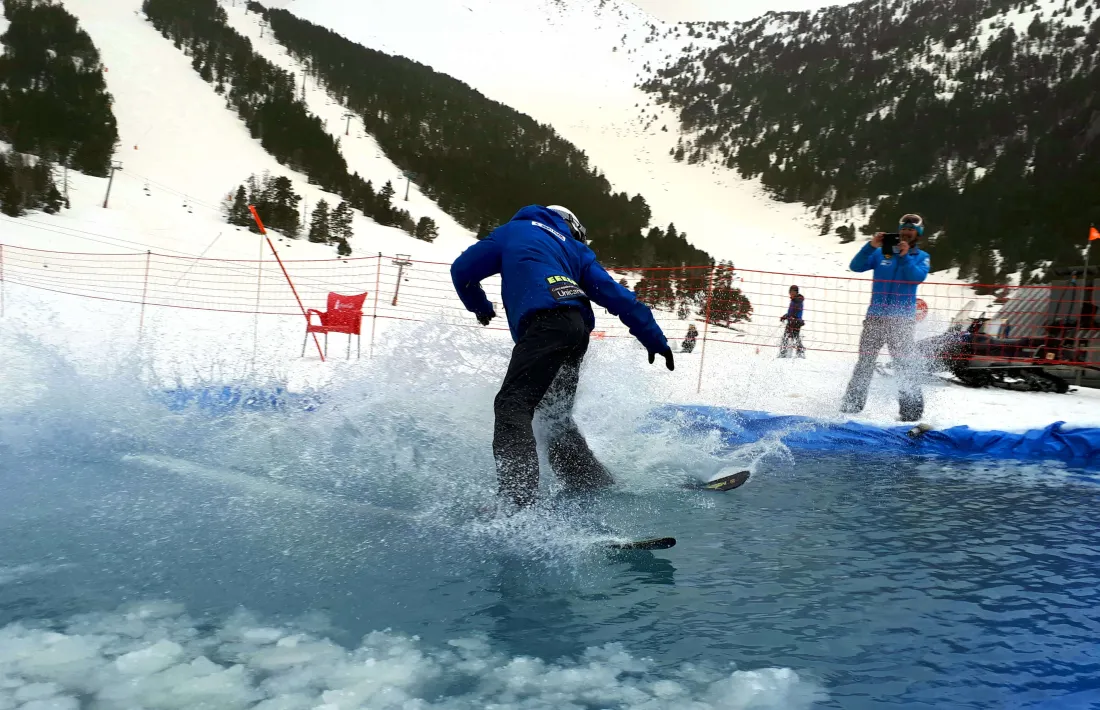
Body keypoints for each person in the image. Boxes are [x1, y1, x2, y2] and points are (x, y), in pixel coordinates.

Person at [451, 205, 674, 509]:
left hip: (544, 325)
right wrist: (653, 337)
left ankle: (518, 511)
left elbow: (462, 270)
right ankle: (592, 484)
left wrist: (480, 306)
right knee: (554, 419)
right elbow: (618, 296)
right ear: (572, 226)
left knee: (511, 406)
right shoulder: (575, 249)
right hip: (576, 328)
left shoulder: (514, 231)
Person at [840, 213, 931, 422]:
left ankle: (911, 414)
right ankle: (851, 406)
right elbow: (855, 266)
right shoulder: (881, 253)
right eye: (903, 229)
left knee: (904, 365)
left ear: (918, 234)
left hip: (902, 321)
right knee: (865, 363)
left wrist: (906, 256)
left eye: (911, 230)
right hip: (875, 318)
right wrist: (871, 246)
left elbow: (916, 278)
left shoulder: (922, 256)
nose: (906, 233)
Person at [778, 285, 805, 358]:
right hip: (791, 321)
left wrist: (793, 318)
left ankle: (800, 353)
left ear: (796, 292)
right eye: (790, 292)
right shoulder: (794, 300)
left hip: (796, 322)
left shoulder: (797, 301)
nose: (790, 293)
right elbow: (791, 312)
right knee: (787, 337)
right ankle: (784, 353)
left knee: (794, 337)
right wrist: (785, 316)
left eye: (792, 292)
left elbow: (797, 312)